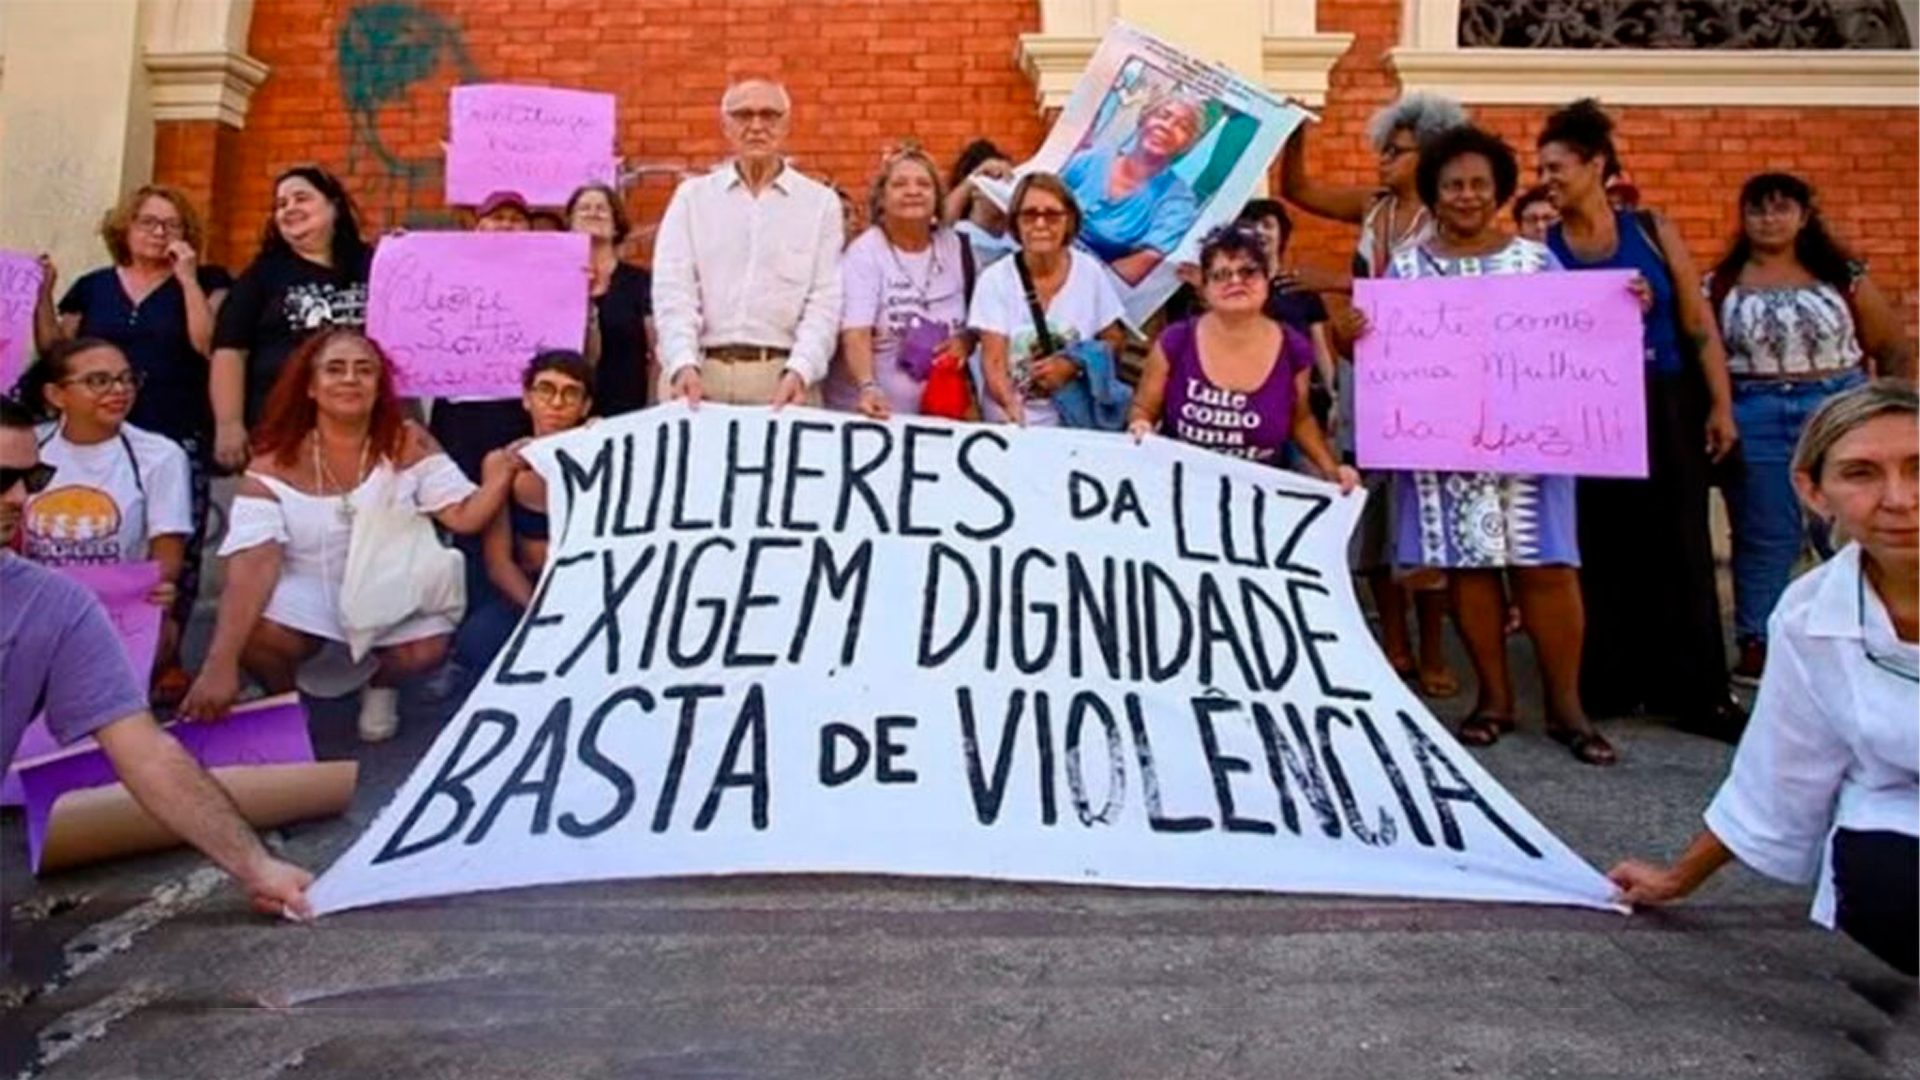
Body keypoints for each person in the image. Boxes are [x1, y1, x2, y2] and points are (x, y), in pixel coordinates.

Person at [1609, 380, 1918, 976]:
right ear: (1812, 491)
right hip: (1900, 808)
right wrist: (1676, 879)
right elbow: (1782, 767)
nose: (1898, 499)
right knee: (1883, 887)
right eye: (1861, 474)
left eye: (1917, 468)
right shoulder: (1810, 615)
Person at [0, 397, 312, 919]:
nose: (17, 498)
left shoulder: (56, 606)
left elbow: (144, 752)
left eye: (32, 479)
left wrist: (257, 866)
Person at [1361, 126, 1614, 765]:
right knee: (1469, 567)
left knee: (1547, 566)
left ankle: (1566, 707)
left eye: (1479, 184)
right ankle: (1493, 700)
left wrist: (1618, 305)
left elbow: (1582, 337)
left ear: (1499, 189)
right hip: (1447, 446)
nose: (1467, 196)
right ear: (1435, 192)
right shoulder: (1410, 266)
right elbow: (1384, 352)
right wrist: (1357, 328)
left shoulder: (1534, 260)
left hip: (1533, 443)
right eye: (1453, 185)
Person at [179, 329, 524, 742]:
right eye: (335, 369)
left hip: (389, 588)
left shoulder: (408, 442)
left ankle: (382, 685)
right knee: (257, 631)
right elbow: (254, 562)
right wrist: (221, 664)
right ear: (309, 385)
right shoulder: (271, 460)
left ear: (380, 387)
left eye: (364, 370)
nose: (349, 379)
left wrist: (498, 474)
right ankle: (285, 704)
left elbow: (465, 517)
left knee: (427, 649)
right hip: (309, 588)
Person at [1540, 99, 1744, 739]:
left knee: (1679, 542)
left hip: (1663, 397)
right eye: (1542, 169)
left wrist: (1720, 404)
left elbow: (1696, 323)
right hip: (1583, 410)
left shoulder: (1653, 229)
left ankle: (1698, 693)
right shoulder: (1540, 249)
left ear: (1596, 165)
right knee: (1598, 543)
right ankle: (1610, 682)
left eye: (1558, 167)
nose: (1547, 179)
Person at [1280, 92, 1467, 698]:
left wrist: (1336, 280)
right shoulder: (1373, 207)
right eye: (1382, 149)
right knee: (1379, 509)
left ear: (1430, 152)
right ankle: (1395, 641)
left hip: (1434, 385)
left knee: (1430, 517)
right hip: (1371, 374)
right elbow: (1299, 189)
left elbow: (1440, 298)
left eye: (1396, 150)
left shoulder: (1448, 219)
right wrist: (1297, 130)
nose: (1382, 161)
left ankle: (1436, 648)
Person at [1707, 172, 1916, 683]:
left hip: (1836, 403)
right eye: (1758, 210)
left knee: (1852, 524)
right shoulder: (1721, 284)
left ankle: (1875, 633)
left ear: (1803, 216)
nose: (1769, 220)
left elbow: (1890, 344)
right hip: (1755, 409)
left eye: (1782, 209)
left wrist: (1892, 415)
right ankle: (1760, 640)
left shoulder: (1842, 277)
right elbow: (1705, 354)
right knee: (1764, 530)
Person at [29, 184, 231, 697]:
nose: (158, 232)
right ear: (126, 227)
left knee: (174, 546)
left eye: (171, 224)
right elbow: (57, 350)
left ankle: (165, 653)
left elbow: (207, 343)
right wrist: (43, 295)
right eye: (148, 222)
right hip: (95, 429)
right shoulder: (94, 286)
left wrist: (185, 278)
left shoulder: (207, 280)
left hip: (173, 426)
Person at [653, 79, 843, 409]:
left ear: (786, 124)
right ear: (725, 125)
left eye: (769, 115)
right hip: (698, 375)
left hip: (781, 379)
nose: (756, 126)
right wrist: (681, 361)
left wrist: (802, 370)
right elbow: (673, 288)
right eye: (743, 115)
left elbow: (824, 299)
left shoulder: (820, 204)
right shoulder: (692, 198)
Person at [15, 339, 192, 690]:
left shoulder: (160, 456)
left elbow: (166, 556)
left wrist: (160, 589)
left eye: (126, 379)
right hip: (35, 608)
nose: (119, 390)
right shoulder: (27, 447)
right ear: (56, 394)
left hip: (118, 614)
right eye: (98, 381)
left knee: (156, 638)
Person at [1127, 223, 1355, 492]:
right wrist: (1140, 426)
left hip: (1260, 499)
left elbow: (1300, 418)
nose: (1235, 282)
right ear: (1205, 287)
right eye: (1221, 275)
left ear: (1266, 278)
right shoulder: (1176, 341)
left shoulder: (1293, 349)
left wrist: (1331, 469)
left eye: (1248, 272)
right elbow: (1144, 409)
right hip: (1181, 492)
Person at [210, 166, 372, 472]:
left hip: (361, 428)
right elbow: (229, 350)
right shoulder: (262, 275)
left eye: (301, 198)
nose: (290, 209)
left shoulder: (371, 264)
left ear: (333, 205)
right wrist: (229, 424)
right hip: (280, 430)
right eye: (281, 205)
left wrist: (404, 253)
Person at [453, 351, 594, 675]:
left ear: (585, 407)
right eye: (545, 390)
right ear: (527, 398)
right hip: (528, 592)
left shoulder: (601, 454)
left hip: (585, 593)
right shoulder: (503, 463)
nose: (556, 403)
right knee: (478, 640)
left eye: (570, 393)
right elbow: (499, 563)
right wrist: (539, 615)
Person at [969, 173, 1126, 428]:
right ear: (1015, 222)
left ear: (1069, 220)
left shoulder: (1089, 273)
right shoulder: (995, 279)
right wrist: (1010, 406)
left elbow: (1114, 341)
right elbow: (994, 360)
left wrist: (1073, 364)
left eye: (1052, 215)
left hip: (1075, 425)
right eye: (1030, 215)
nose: (1040, 224)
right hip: (1011, 424)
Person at [829, 146, 973, 420]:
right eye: (899, 184)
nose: (913, 191)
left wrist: (964, 342)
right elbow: (856, 333)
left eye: (924, 184)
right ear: (881, 199)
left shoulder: (957, 247)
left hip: (941, 415)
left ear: (937, 198)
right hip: (872, 416)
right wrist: (868, 386)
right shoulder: (864, 253)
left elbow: (978, 323)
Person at [429, 189, 539, 483]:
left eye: (516, 219)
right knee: (464, 493)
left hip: (520, 405)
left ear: (530, 230)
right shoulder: (443, 267)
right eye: (497, 217)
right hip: (460, 407)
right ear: (478, 227)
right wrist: (399, 251)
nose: (506, 225)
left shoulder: (549, 275)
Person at [1060, 90, 1205, 285]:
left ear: (1188, 145)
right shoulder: (1088, 161)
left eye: (1183, 127)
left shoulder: (1179, 200)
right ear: (1143, 119)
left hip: (1094, 290)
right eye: (1163, 115)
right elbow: (1039, 202)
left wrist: (1079, 288)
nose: (1168, 127)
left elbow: (1148, 261)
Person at [569, 182, 653, 417]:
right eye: (584, 208)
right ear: (570, 223)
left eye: (601, 208)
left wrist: (653, 406)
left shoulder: (640, 282)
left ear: (617, 226)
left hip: (626, 409)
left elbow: (656, 353)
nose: (593, 212)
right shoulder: (553, 281)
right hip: (564, 412)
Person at [944, 139, 1019, 271]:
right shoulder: (957, 237)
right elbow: (937, 227)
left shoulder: (1019, 238)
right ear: (975, 191)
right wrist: (972, 180)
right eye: (997, 180)